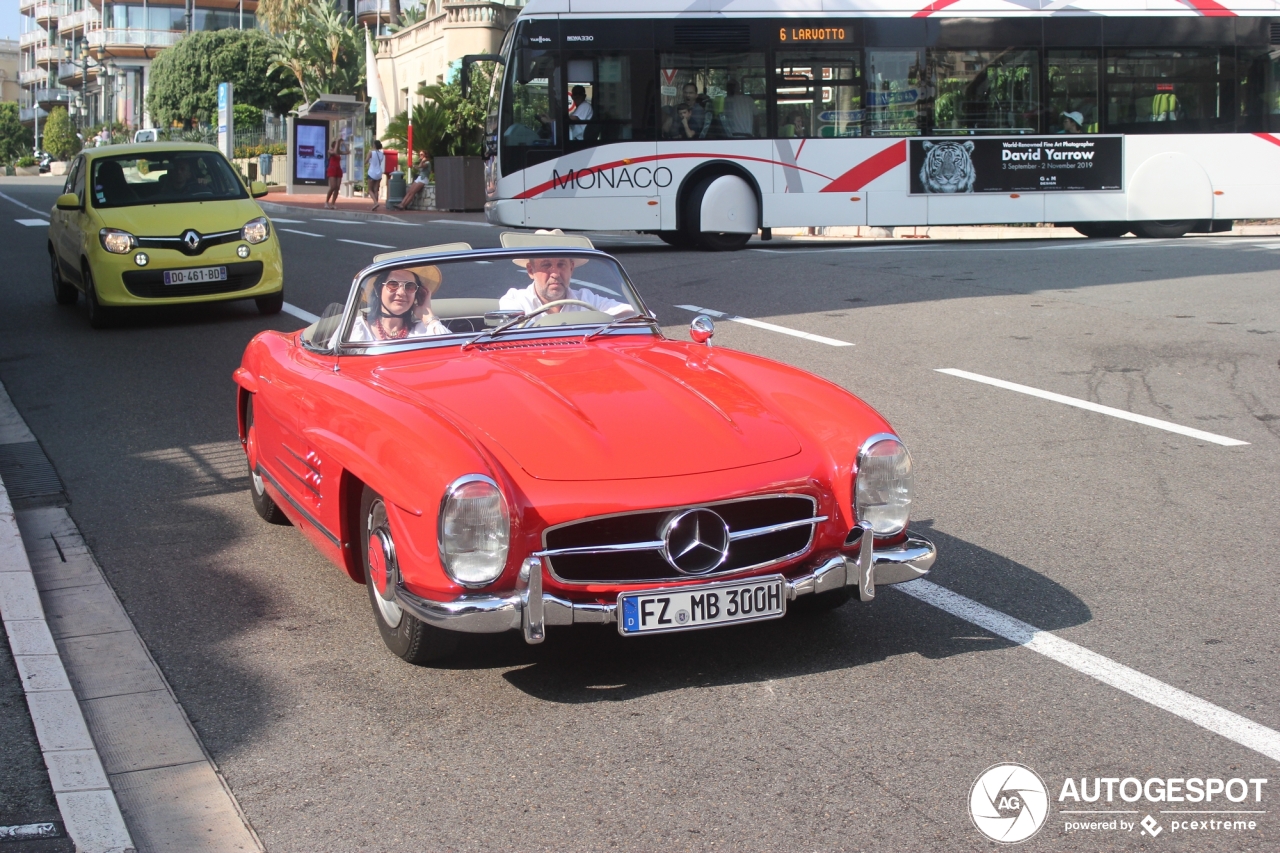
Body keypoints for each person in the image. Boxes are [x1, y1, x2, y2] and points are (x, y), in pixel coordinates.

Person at [499, 254, 634, 318]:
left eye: (561, 264)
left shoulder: (586, 299)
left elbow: (640, 315)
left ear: (571, 268)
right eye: (546, 265)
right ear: (530, 270)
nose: (555, 273)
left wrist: (606, 323)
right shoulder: (515, 300)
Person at [348, 267, 449, 342]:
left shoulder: (424, 332)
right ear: (378, 290)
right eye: (393, 284)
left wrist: (427, 315)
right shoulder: (356, 328)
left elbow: (451, 354)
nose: (401, 292)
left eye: (409, 286)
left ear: (416, 293)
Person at [324, 138, 344, 209]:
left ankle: (333, 203)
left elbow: (348, 152)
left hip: (338, 169)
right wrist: (337, 141)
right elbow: (334, 152)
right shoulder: (330, 151)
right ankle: (326, 202)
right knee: (333, 186)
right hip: (332, 169)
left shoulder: (339, 152)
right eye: (337, 144)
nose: (338, 146)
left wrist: (343, 143)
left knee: (337, 187)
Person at [366, 139, 385, 211]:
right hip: (379, 172)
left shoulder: (371, 152)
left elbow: (367, 160)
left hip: (372, 172)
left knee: (370, 190)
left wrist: (362, 164)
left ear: (374, 145)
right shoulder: (381, 153)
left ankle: (375, 202)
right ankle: (375, 206)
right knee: (376, 190)